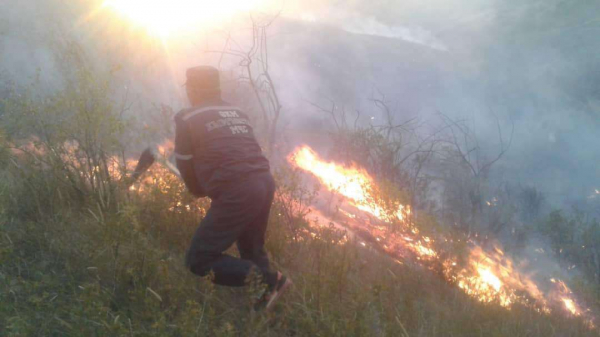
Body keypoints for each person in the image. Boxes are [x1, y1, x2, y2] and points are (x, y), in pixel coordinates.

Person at [173, 66, 291, 310]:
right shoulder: (237, 112)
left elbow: (184, 163)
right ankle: (263, 313)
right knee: (252, 250)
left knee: (199, 259)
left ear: (193, 89)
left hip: (239, 189)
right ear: (217, 89)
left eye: (189, 88)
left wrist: (196, 189)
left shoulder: (186, 118)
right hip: (264, 182)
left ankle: (270, 281)